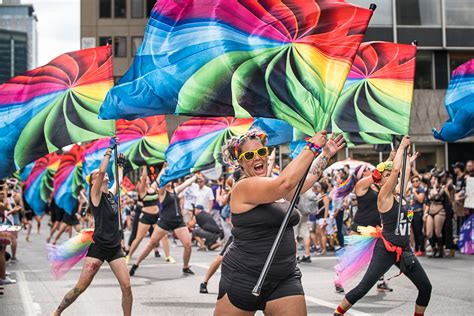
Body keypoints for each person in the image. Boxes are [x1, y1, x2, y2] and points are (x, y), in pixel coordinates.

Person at [215, 129, 344, 315]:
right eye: (249, 155)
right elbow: (285, 183)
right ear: (240, 162)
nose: (257, 158)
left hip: (284, 278)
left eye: (261, 152)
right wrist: (312, 147)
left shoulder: (272, 187)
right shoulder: (243, 188)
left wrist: (325, 154)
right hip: (244, 277)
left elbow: (307, 179)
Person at [334, 136, 431, 316]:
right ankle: (338, 313)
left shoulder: (400, 195)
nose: (392, 176)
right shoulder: (383, 197)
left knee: (426, 288)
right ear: (379, 182)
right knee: (363, 288)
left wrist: (407, 160)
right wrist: (400, 147)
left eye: (392, 175)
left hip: (404, 250)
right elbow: (395, 170)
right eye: (386, 176)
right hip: (386, 249)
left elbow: (404, 171)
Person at [53, 141, 132, 316]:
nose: (103, 174)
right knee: (80, 288)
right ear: (94, 181)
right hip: (99, 248)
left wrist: (120, 166)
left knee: (126, 286)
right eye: (98, 174)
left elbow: (117, 181)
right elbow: (102, 170)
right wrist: (109, 150)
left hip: (114, 248)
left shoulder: (110, 195)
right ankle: (58, 311)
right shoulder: (95, 196)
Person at [129, 174, 198, 276]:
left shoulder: (175, 190)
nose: (169, 181)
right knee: (151, 244)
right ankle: (136, 264)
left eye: (170, 179)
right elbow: (160, 183)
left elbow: (186, 183)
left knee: (188, 245)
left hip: (178, 221)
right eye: (167, 180)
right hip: (165, 221)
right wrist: (164, 173)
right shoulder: (162, 192)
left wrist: (195, 176)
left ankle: (185, 267)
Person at [126, 166, 172, 264]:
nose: (147, 179)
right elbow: (143, 178)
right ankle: (129, 255)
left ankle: (168, 256)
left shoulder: (153, 188)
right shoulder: (142, 191)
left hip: (156, 216)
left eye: (147, 178)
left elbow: (159, 177)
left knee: (164, 236)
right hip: (146, 217)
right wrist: (144, 166)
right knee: (139, 238)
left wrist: (164, 167)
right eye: (145, 179)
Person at [424, 171, 448, 258]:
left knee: (438, 232)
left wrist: (434, 187)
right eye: (432, 179)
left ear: (438, 180)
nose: (433, 180)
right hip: (430, 211)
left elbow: (436, 197)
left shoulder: (442, 188)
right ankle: (434, 248)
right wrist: (425, 213)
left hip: (439, 211)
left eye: (434, 179)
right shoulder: (428, 189)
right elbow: (427, 202)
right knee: (429, 233)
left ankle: (440, 249)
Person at [409, 175, 426, 256]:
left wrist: (414, 192)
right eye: (413, 181)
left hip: (418, 212)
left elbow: (421, 199)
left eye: (417, 181)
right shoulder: (410, 189)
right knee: (414, 232)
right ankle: (416, 249)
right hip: (411, 212)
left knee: (419, 231)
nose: (415, 182)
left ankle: (421, 249)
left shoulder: (421, 189)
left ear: (419, 181)